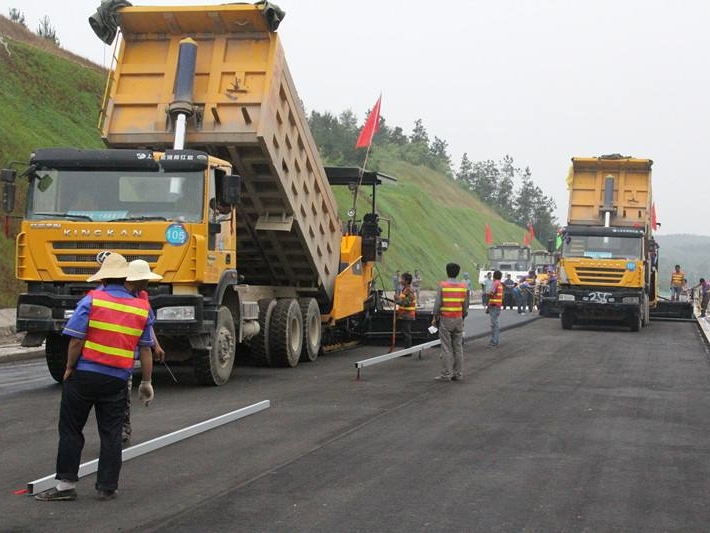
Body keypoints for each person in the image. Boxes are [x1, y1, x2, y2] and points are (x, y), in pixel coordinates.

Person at [35, 253, 157, 502]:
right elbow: (146, 349)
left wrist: (69, 368)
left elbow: (76, 339)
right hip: (117, 380)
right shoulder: (142, 308)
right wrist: (146, 382)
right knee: (112, 433)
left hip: (85, 376)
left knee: (71, 430)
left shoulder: (93, 300)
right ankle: (107, 487)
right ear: (126, 278)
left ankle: (66, 486)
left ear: (103, 278)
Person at [122, 259, 165, 447]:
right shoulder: (122, 298)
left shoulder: (142, 297)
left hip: (124, 355)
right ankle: (120, 430)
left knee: (121, 397)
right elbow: (144, 347)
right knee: (121, 395)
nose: (148, 282)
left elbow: (146, 326)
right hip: (122, 357)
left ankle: (122, 430)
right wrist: (147, 382)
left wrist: (157, 344)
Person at [432, 262, 469, 381]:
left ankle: (446, 374)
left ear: (447, 271)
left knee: (446, 347)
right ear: (458, 273)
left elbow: (438, 304)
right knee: (458, 347)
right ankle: (457, 374)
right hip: (458, 319)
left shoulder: (443, 285)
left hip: (446, 319)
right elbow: (465, 305)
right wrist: (462, 316)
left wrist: (435, 316)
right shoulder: (463, 287)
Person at [395, 271, 417, 349]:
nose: (401, 280)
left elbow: (408, 302)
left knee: (406, 333)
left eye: (402, 279)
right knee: (404, 333)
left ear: (407, 281)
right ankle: (406, 349)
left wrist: (398, 300)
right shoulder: (404, 289)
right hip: (403, 315)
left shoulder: (409, 290)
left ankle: (408, 350)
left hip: (407, 315)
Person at [486, 270, 504, 347]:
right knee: (495, 323)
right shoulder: (500, 284)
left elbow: (491, 293)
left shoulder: (495, 283)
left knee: (494, 324)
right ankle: (494, 341)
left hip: (494, 305)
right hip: (498, 305)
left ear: (494, 276)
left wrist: (487, 294)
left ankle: (494, 341)